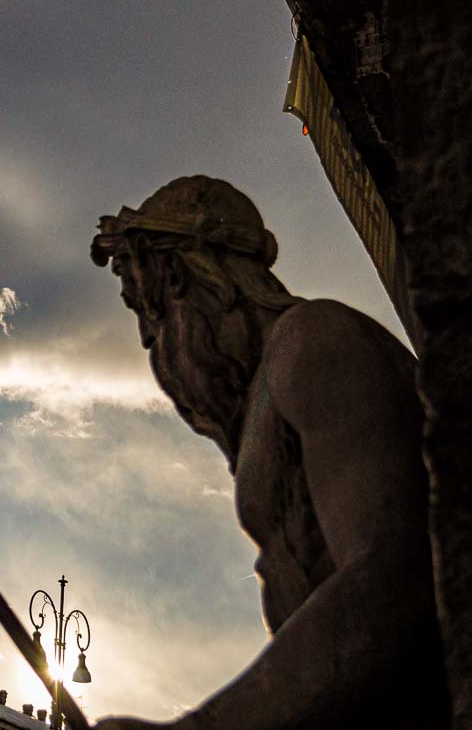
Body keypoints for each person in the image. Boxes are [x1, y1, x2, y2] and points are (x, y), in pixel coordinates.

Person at [89, 176, 446, 729]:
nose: (146, 341)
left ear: (182, 276)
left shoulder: (313, 341)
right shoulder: (268, 392)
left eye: (147, 307)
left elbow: (394, 577)